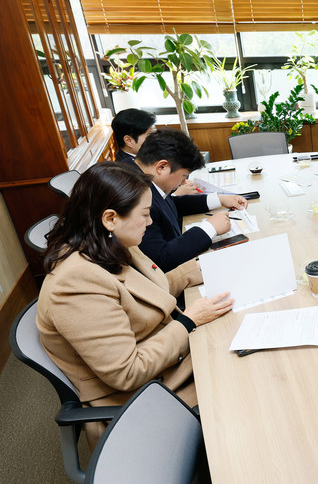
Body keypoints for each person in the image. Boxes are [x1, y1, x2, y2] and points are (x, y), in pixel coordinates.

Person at [37, 162, 234, 446]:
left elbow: (145, 292)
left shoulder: (107, 242)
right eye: (144, 214)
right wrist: (188, 321)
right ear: (110, 218)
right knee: (246, 382)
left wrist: (200, 269)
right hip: (142, 395)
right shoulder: (75, 284)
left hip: (166, 363)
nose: (150, 222)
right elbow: (128, 373)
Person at [134, 129, 247, 272]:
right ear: (162, 167)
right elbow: (159, 260)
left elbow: (170, 204)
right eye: (183, 176)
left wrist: (219, 199)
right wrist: (210, 227)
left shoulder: (140, 175)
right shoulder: (135, 194)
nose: (183, 182)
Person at [111, 108, 200, 195]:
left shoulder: (148, 154)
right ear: (129, 141)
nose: (154, 138)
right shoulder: (125, 173)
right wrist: (176, 194)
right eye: (149, 135)